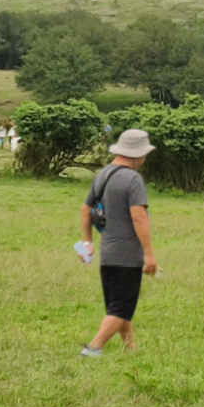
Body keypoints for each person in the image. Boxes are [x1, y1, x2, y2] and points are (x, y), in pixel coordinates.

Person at [77, 128, 159, 357]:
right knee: (122, 308)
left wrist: (87, 243)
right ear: (139, 154)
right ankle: (93, 348)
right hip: (128, 255)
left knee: (118, 305)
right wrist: (149, 254)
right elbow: (138, 216)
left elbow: (86, 210)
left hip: (108, 254)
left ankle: (129, 348)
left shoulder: (103, 174)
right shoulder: (132, 178)